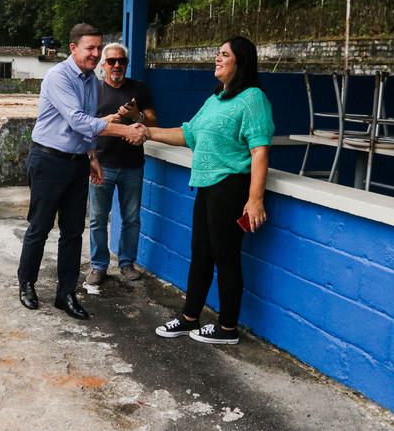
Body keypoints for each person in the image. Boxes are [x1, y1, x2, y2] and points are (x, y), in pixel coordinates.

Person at [148, 36, 274, 345]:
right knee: (200, 253)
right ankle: (190, 317)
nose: (217, 59)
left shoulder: (253, 98)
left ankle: (227, 328)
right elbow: (188, 134)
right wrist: (148, 131)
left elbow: (259, 151)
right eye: (217, 54)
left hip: (230, 188)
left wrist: (255, 199)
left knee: (225, 256)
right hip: (206, 186)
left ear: (239, 62)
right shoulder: (216, 99)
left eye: (224, 55)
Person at [17, 23, 147, 320]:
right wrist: (123, 130)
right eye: (90, 48)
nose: (96, 54)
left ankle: (65, 294)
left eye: (99, 48)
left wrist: (92, 156)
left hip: (77, 161)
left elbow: (87, 122)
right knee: (40, 226)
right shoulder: (58, 76)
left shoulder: (90, 79)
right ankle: (27, 283)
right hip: (49, 160)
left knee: (74, 231)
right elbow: (78, 121)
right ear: (73, 48)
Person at [87, 43, 158, 285]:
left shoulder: (140, 88)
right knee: (97, 218)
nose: (117, 65)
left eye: (122, 61)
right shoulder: (93, 90)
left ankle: (127, 263)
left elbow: (154, 123)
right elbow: (83, 125)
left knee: (131, 218)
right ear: (103, 65)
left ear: (126, 64)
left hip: (132, 165)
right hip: (101, 164)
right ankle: (98, 266)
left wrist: (135, 115)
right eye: (112, 61)